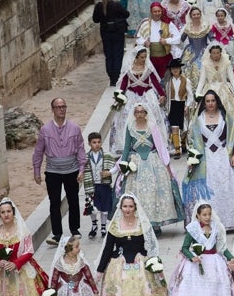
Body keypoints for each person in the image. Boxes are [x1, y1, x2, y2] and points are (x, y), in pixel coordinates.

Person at [96, 194, 174, 296]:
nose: (128, 209)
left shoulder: (142, 224)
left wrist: (155, 265)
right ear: (120, 207)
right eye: (125, 206)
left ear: (135, 208)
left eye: (131, 206)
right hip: (119, 266)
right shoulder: (114, 226)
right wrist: (100, 270)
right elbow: (107, 249)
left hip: (141, 265)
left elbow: (150, 248)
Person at [182, 90, 234, 230]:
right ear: (204, 103)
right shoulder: (198, 120)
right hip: (206, 159)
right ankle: (208, 223)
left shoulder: (225, 117)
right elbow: (191, 141)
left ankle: (232, 222)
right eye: (207, 101)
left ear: (217, 101)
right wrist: (194, 157)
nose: (210, 103)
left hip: (224, 155)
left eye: (213, 100)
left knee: (230, 186)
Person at [168, 201, 234, 296]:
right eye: (204, 215)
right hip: (198, 265)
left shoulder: (216, 227)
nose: (207, 217)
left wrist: (231, 258)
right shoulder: (193, 229)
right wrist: (192, 257)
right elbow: (185, 248)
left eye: (209, 214)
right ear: (198, 215)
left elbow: (222, 247)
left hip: (215, 263)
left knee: (217, 295)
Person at [116, 103, 184, 232]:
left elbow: (160, 147)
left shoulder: (152, 127)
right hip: (135, 163)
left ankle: (155, 223)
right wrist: (122, 167)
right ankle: (140, 223)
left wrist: (168, 166)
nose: (140, 114)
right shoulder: (130, 127)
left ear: (146, 114)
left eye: (142, 112)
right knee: (138, 193)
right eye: (137, 112)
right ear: (134, 114)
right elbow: (126, 148)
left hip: (153, 162)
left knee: (154, 192)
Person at [32, 98, 85, 245]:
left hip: (72, 170)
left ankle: (75, 229)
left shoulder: (74, 128)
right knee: (54, 202)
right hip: (53, 171)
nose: (61, 109)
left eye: (63, 106)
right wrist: (36, 171)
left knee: (73, 200)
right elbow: (38, 151)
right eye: (58, 107)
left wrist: (82, 168)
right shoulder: (45, 130)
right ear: (53, 110)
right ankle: (57, 234)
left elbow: (80, 148)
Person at [109, 46, 168, 154]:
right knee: (127, 115)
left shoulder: (148, 70)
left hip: (147, 95)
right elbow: (123, 85)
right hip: (132, 96)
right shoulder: (129, 71)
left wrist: (161, 94)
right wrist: (120, 97)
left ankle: (155, 142)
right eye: (141, 57)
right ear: (136, 58)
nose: (144, 59)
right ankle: (127, 143)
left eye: (145, 57)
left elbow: (155, 83)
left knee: (152, 114)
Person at [195, 44, 234, 146]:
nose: (216, 55)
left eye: (217, 53)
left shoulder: (226, 63)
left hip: (224, 90)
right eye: (213, 53)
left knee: (230, 113)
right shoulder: (205, 64)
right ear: (210, 54)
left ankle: (231, 138)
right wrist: (198, 94)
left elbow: (232, 79)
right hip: (210, 90)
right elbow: (201, 81)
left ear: (220, 53)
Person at [93, 0, 130, 87]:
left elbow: (95, 19)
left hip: (105, 33)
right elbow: (126, 14)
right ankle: (116, 77)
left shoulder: (99, 6)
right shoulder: (116, 5)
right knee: (117, 54)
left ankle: (111, 77)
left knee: (109, 55)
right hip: (117, 32)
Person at [83, 132, 117, 238]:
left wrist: (109, 172)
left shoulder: (107, 155)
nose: (97, 144)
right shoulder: (86, 157)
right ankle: (94, 226)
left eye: (98, 142)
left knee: (104, 206)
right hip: (91, 185)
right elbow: (81, 168)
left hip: (104, 184)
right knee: (92, 207)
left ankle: (103, 226)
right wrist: (80, 175)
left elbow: (116, 166)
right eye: (94, 142)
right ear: (89, 144)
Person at [135, 2, 182, 79]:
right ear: (151, 12)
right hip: (150, 59)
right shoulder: (145, 23)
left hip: (165, 58)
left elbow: (178, 38)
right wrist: (144, 42)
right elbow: (138, 38)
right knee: (152, 80)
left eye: (158, 11)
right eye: (155, 11)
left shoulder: (167, 23)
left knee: (165, 79)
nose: (157, 13)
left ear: (161, 11)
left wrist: (166, 41)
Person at [165, 58, 195, 159]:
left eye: (177, 68)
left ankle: (183, 143)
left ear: (180, 68)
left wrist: (188, 106)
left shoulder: (186, 81)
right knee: (174, 128)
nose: (175, 70)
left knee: (184, 128)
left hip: (182, 105)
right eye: (173, 68)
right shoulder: (168, 83)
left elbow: (190, 95)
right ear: (170, 70)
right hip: (172, 105)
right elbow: (167, 96)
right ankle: (177, 150)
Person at [181, 6, 213, 85]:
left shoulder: (205, 26)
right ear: (191, 16)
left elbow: (212, 39)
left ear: (201, 15)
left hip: (204, 50)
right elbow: (182, 39)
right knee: (188, 67)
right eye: (194, 15)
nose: (196, 16)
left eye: (198, 14)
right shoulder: (188, 27)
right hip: (190, 52)